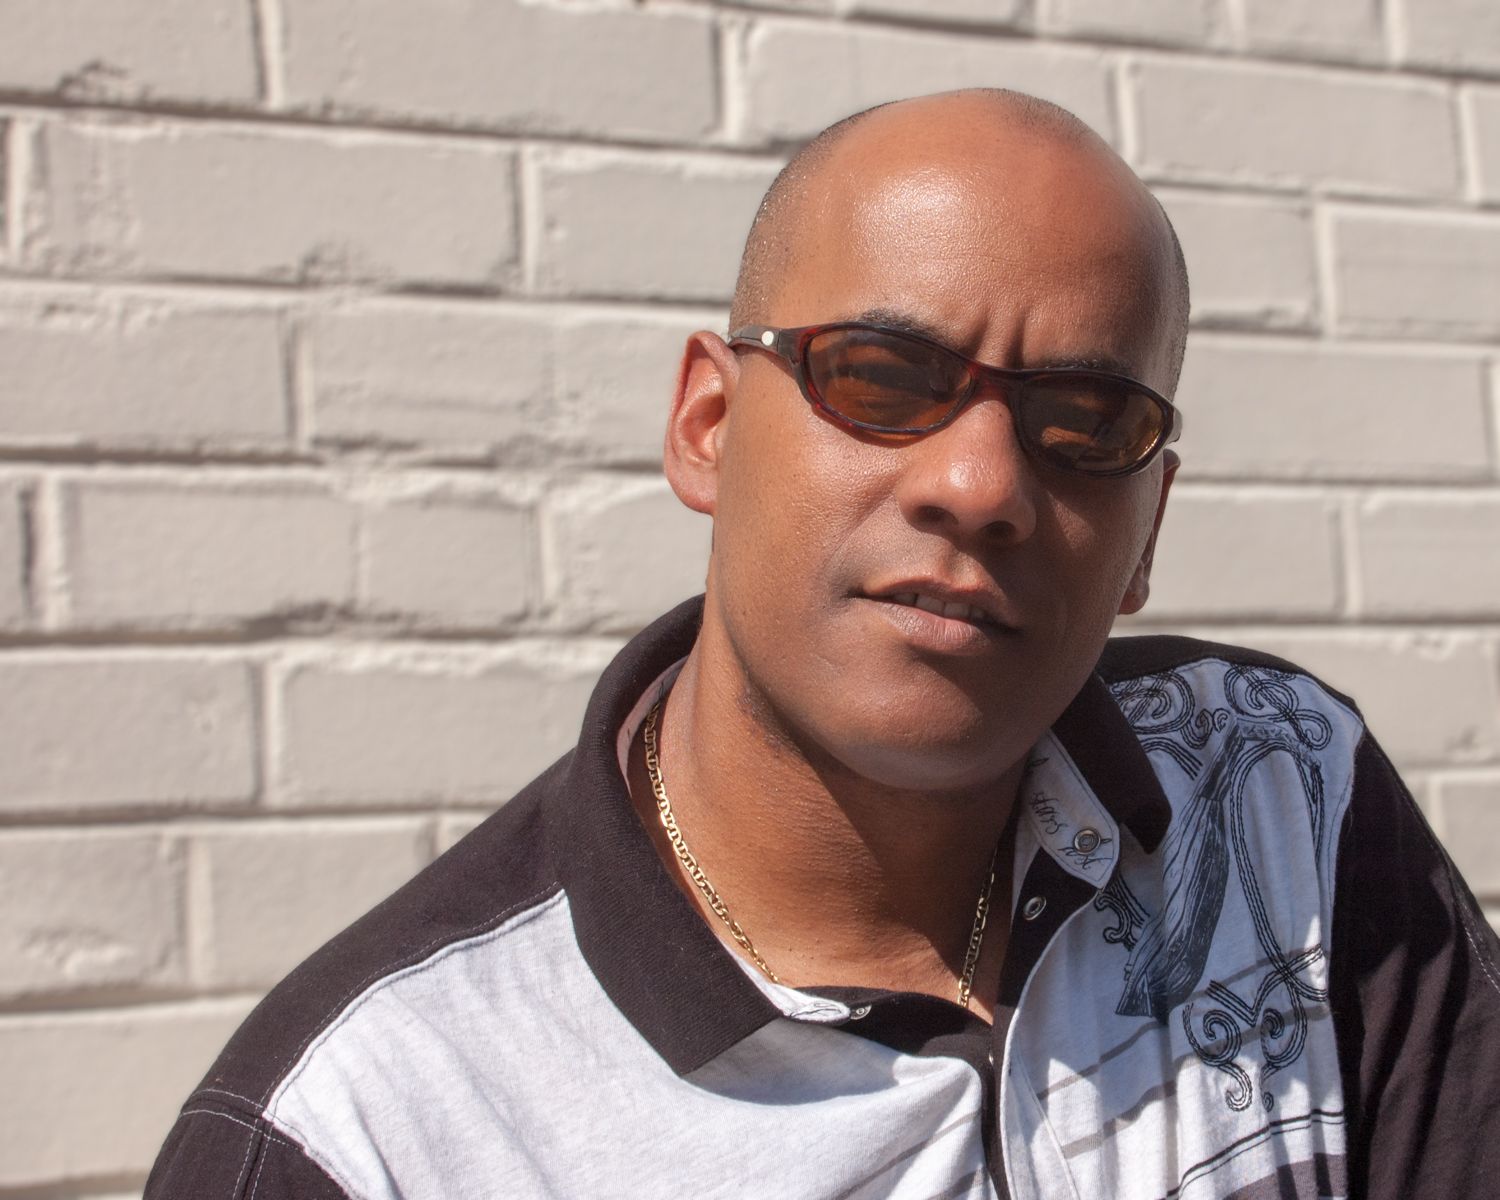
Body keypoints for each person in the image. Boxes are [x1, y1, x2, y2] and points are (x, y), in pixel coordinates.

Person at [146, 89, 1500, 1200]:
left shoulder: (1281, 795)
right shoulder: (367, 1135)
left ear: (1149, 526)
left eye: (1086, 424)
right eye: (884, 377)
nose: (981, 485)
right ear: (707, 428)